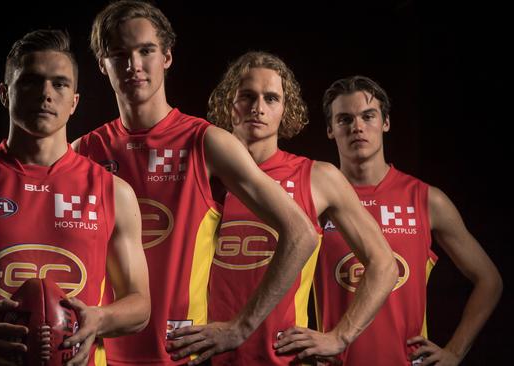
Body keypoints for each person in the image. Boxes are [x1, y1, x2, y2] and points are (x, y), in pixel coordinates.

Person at [73, 2, 325, 365]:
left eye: (146, 51)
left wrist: (240, 327)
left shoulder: (206, 142)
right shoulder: (85, 151)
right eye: (119, 54)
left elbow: (301, 233)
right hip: (101, 356)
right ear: (102, 64)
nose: (134, 66)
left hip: (179, 354)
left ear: (167, 57)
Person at [0, 29, 150, 366]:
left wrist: (100, 319)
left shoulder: (112, 191)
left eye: (60, 83)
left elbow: (139, 305)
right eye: (31, 81)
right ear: (5, 93)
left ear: (74, 101)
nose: (46, 94)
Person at [278, 75, 503, 365]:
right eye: (344, 119)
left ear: (385, 123)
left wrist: (455, 352)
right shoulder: (316, 202)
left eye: (367, 116)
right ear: (330, 130)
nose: (357, 127)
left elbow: (489, 281)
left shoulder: (426, 200)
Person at [204, 52, 397, 365]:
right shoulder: (203, 173)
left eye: (271, 98)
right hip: (204, 353)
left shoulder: (318, 177)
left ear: (286, 108)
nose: (258, 108)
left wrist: (339, 336)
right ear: (229, 102)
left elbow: (384, 265)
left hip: (281, 358)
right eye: (247, 96)